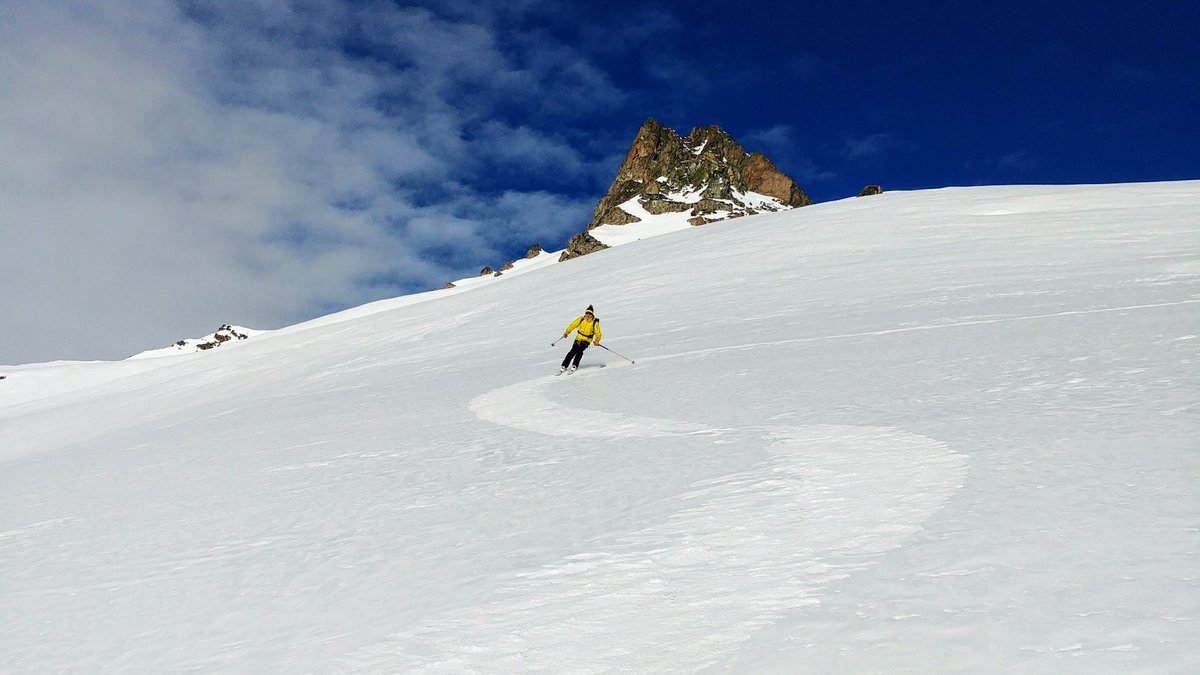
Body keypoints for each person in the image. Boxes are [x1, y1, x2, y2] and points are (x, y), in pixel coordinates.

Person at [559, 305, 602, 374]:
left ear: (592, 315)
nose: (588, 315)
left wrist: (597, 340)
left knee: (579, 351)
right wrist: (567, 332)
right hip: (578, 338)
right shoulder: (581, 319)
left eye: (589, 314)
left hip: (586, 340)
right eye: (587, 313)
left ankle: (574, 365)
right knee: (572, 351)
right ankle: (564, 365)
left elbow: (598, 333)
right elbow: (573, 325)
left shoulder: (594, 322)